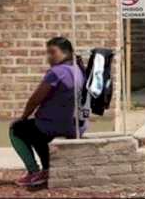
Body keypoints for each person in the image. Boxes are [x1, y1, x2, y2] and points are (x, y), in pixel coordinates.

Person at [9, 37, 87, 188]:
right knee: (35, 128)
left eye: (53, 52)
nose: (49, 56)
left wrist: (23, 117)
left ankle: (37, 172)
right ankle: (45, 169)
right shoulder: (78, 69)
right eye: (48, 53)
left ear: (66, 53)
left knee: (18, 129)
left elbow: (34, 100)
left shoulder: (57, 72)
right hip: (78, 125)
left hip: (57, 125)